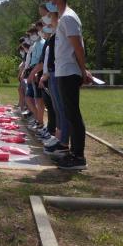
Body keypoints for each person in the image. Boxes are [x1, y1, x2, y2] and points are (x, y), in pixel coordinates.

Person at [44, 0, 92, 170]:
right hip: (64, 71)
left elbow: (77, 46)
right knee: (69, 114)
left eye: (50, 0)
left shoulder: (69, 18)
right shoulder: (64, 18)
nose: (49, 5)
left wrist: (83, 70)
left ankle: (78, 157)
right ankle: (72, 152)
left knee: (73, 114)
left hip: (69, 71)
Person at [41, 10, 71, 158]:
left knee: (61, 108)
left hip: (58, 72)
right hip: (54, 72)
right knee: (57, 107)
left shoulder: (60, 32)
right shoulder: (52, 37)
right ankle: (59, 137)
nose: (48, 23)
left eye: (50, 18)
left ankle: (63, 141)